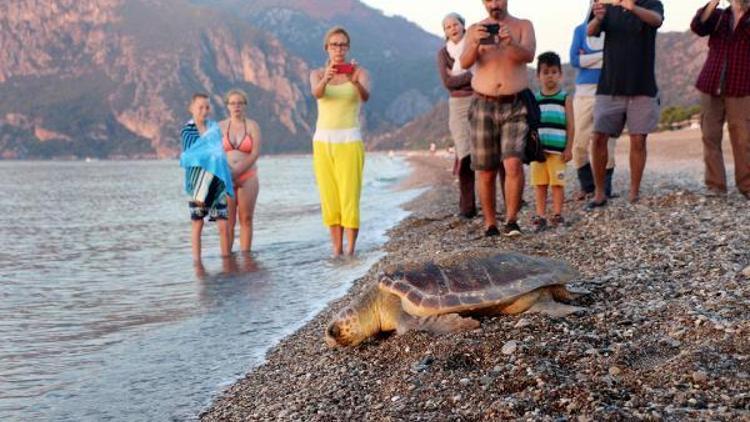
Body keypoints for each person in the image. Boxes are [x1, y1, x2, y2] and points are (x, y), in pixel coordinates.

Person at [461, 0, 536, 237]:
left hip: (514, 103)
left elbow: (529, 55)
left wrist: (510, 43)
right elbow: (464, 62)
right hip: (483, 103)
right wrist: (474, 43)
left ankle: (512, 220)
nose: (495, 4)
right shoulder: (474, 29)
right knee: (485, 170)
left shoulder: (523, 25)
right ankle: (490, 223)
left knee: (513, 162)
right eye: (490, 0)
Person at [587, 0, 664, 208]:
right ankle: (600, 193)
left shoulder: (652, 3)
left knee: (638, 139)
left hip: (642, 85)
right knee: (598, 137)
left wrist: (633, 8)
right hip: (609, 84)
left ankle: (634, 192)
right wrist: (598, 18)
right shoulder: (605, 4)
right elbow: (590, 31)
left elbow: (657, 21)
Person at [309, 27, 371, 256]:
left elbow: (366, 97)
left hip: (349, 140)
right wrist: (326, 77)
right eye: (334, 44)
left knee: (349, 195)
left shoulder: (359, 72)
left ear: (348, 47)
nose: (339, 49)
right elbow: (317, 93)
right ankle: (336, 250)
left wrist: (354, 81)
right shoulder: (317, 73)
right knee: (329, 197)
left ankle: (351, 249)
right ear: (326, 47)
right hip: (322, 142)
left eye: (343, 44)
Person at [691, 0, 750, 199]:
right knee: (710, 135)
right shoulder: (718, 16)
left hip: (742, 85)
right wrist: (712, 3)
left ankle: (746, 185)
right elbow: (698, 26)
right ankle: (715, 186)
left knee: (743, 138)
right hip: (711, 82)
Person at [569, 1, 617, 200]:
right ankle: (587, 186)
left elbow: (616, 58)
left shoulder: (614, 30)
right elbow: (574, 60)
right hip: (584, 93)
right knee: (579, 142)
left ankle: (604, 188)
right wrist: (604, 56)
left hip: (609, 90)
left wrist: (588, 57)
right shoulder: (580, 30)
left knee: (608, 142)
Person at [180, 93, 234, 262]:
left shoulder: (214, 129)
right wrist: (212, 153)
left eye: (207, 107)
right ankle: (197, 263)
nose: (204, 111)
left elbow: (220, 154)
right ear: (192, 108)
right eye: (200, 107)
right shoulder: (187, 131)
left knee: (223, 224)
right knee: (198, 223)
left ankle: (227, 262)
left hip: (216, 181)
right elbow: (192, 155)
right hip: (196, 184)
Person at [437, 12, 477, 219]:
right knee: (465, 154)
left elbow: (481, 73)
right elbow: (448, 83)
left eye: (455, 24)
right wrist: (470, 75)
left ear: (463, 26)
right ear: (444, 32)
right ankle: (467, 207)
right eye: (447, 27)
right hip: (458, 105)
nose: (452, 29)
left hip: (480, 99)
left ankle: (504, 201)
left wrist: (461, 76)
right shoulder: (443, 54)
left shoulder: (473, 45)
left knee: (488, 153)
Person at [530, 52, 574, 232]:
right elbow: (530, 125)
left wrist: (569, 148)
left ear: (560, 75)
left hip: (558, 152)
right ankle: (540, 216)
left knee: (557, 184)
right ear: (538, 76)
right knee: (540, 184)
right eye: (545, 72)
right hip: (539, 152)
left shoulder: (565, 98)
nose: (550, 76)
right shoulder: (534, 99)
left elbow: (571, 125)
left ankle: (557, 214)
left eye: (554, 72)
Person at [220, 90, 261, 253]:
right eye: (232, 103)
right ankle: (226, 261)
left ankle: (246, 257)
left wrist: (237, 171)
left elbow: (255, 153)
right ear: (227, 106)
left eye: (240, 103)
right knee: (227, 222)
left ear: (245, 106)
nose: (236, 106)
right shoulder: (220, 127)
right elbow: (214, 153)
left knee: (246, 219)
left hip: (248, 176)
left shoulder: (252, 126)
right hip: (225, 177)